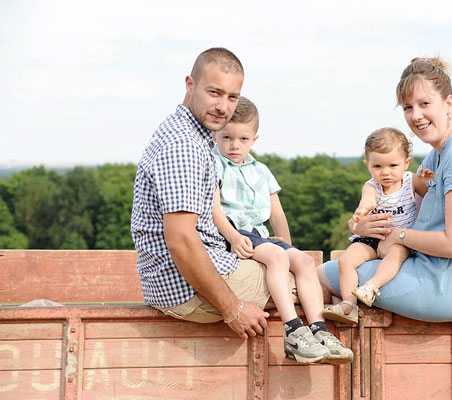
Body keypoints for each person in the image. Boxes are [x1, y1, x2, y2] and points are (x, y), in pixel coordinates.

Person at [317, 57, 452, 322]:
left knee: (324, 276)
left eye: (425, 104)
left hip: (449, 284)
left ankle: (332, 358)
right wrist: (362, 228)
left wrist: (399, 236)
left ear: (448, 103)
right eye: (408, 107)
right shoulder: (438, 155)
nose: (415, 116)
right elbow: (409, 213)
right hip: (447, 274)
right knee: (350, 275)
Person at [131, 47, 271, 341]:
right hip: (186, 289)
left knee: (283, 260)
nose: (223, 106)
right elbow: (181, 239)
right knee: (315, 283)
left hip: (182, 277)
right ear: (190, 84)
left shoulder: (187, 133)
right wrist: (232, 308)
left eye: (232, 97)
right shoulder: (184, 146)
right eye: (214, 93)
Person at [211, 96, 353, 364]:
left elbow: (276, 212)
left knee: (302, 261)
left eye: (242, 139)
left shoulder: (261, 171)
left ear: (254, 138)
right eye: (227, 137)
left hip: (260, 233)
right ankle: (292, 329)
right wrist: (232, 237)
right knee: (277, 258)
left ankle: (319, 330)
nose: (233, 145)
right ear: (216, 134)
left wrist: (287, 244)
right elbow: (214, 209)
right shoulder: (215, 165)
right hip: (235, 232)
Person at [322, 128, 433, 324]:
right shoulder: (371, 185)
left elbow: (432, 198)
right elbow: (368, 199)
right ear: (368, 165)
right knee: (345, 261)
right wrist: (364, 209)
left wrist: (428, 182)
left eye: (393, 165)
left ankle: (371, 287)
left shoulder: (411, 181)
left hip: (400, 239)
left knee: (396, 257)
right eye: (378, 166)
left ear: (406, 163)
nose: (386, 172)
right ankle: (349, 303)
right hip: (372, 238)